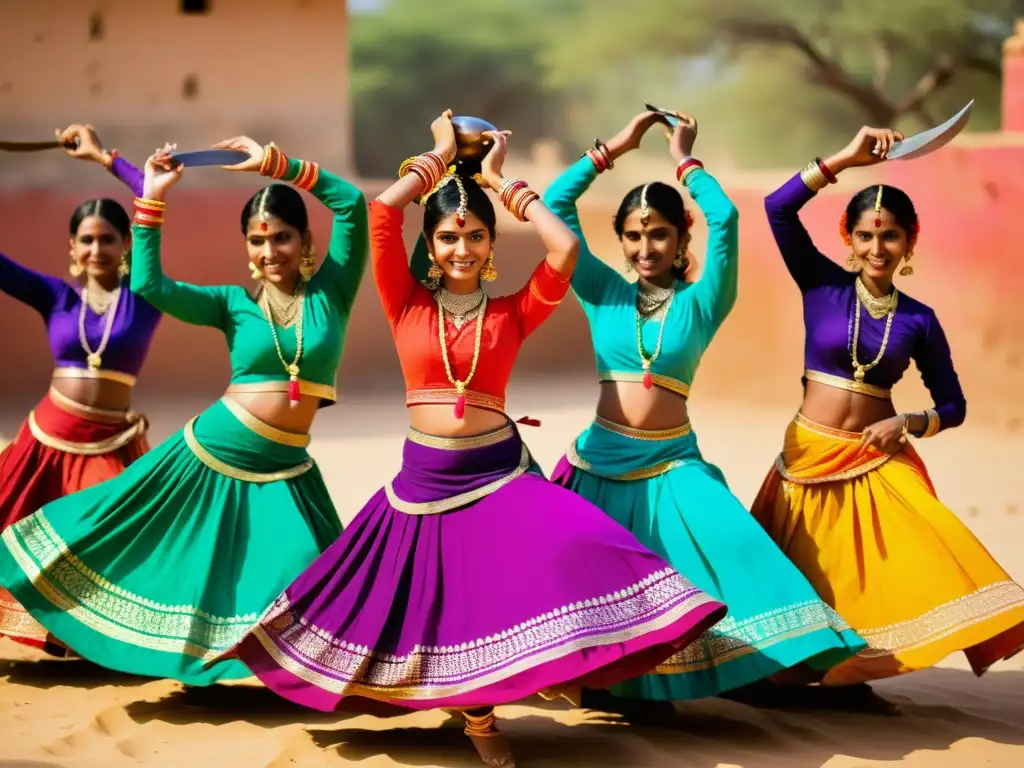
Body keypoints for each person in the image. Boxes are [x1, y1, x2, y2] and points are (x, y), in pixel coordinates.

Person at [217, 111, 727, 768]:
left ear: (492, 245)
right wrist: (434, 158)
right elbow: (376, 210)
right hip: (425, 482)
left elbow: (564, 251)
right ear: (429, 248)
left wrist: (500, 181)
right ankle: (480, 720)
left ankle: (566, 670)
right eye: (450, 237)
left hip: (500, 474)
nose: (463, 248)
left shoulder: (515, 310)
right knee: (436, 603)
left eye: (477, 236)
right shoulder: (405, 303)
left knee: (576, 546)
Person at [0, 136, 367, 684]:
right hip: (212, 452)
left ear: (306, 240)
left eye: (282, 238)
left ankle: (270, 669)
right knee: (124, 536)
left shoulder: (332, 291)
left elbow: (353, 205)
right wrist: (153, 201)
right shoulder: (231, 303)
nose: (270, 252)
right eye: (258, 241)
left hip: (286, 464)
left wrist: (277, 165)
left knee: (302, 565)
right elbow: (149, 283)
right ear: (247, 246)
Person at [542, 110, 865, 715]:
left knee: (736, 549)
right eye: (633, 236)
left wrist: (683, 158)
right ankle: (626, 689)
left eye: (659, 234)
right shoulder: (602, 292)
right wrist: (616, 148)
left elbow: (728, 217)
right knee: (613, 592)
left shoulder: (702, 301)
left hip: (672, 464)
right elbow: (556, 205)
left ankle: (763, 668)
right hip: (599, 466)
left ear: (682, 239)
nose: (645, 248)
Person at [749, 125, 1024, 710]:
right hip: (808, 456)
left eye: (891, 236)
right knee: (810, 578)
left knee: (924, 551)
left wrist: (910, 423)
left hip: (876, 456)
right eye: (868, 235)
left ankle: (858, 670)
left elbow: (954, 405)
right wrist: (845, 157)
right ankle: (805, 674)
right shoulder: (821, 285)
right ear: (848, 238)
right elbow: (777, 209)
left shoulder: (920, 319)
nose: (879, 248)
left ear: (909, 242)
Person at [0, 125, 160, 652]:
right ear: (72, 247)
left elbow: (152, 199)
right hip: (46, 439)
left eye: (107, 238)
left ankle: (98, 641)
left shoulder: (147, 295)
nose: (96, 248)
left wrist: (105, 157)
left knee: (113, 537)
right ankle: (54, 637)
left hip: (110, 442)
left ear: (126, 244)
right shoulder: (55, 296)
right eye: (86, 240)